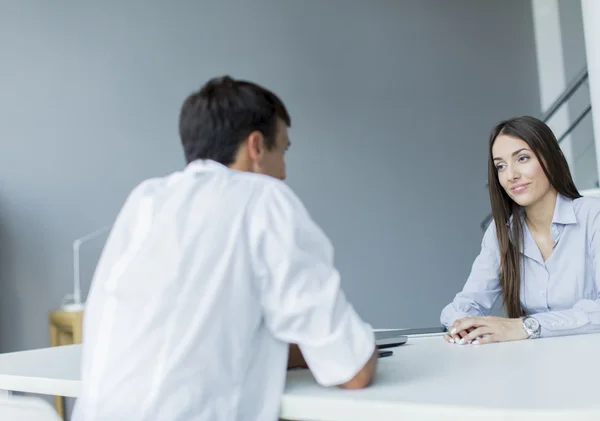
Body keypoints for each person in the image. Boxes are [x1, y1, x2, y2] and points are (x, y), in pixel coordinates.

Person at [72, 76, 377, 421]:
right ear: (256, 147)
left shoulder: (146, 201)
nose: (284, 173)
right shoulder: (262, 198)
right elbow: (353, 371)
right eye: (283, 151)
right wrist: (356, 349)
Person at [440, 115, 600, 345]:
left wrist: (527, 325)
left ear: (553, 158)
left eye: (522, 158)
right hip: (534, 366)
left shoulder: (593, 215)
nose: (511, 175)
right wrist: (463, 326)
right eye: (501, 166)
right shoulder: (501, 232)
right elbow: (465, 304)